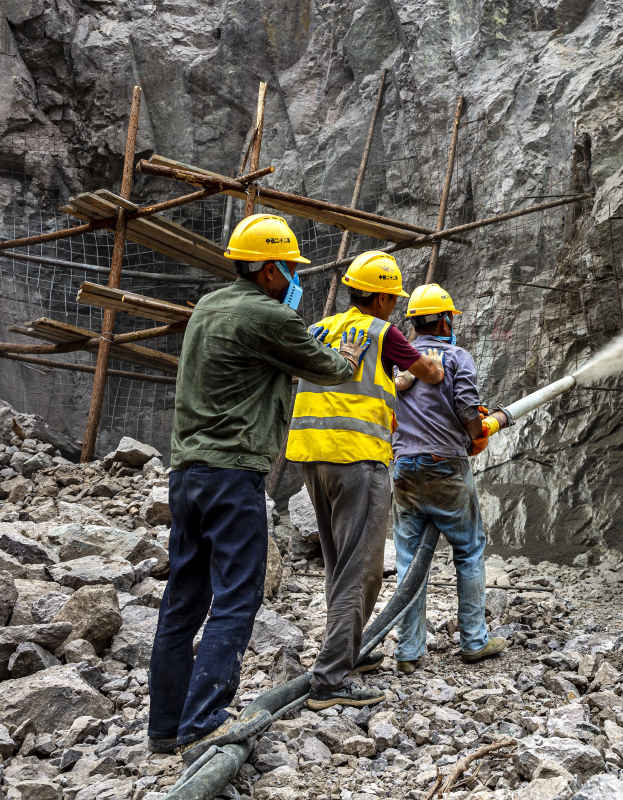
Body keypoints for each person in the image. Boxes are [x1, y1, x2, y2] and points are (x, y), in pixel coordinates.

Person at [148, 214, 372, 764]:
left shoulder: (208, 307)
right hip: (232, 475)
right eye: (289, 269)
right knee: (237, 597)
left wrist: (296, 342)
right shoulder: (269, 314)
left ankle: (165, 725)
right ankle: (202, 726)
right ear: (269, 269)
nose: (293, 276)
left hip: (187, 474)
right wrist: (346, 350)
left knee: (183, 599)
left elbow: (263, 362)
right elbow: (331, 370)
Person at [285, 251, 445, 709]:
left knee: (339, 562)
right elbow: (430, 372)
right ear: (377, 295)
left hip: (312, 459)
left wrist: (395, 385)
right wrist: (424, 364)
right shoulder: (383, 332)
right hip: (358, 459)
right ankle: (332, 678)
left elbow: (348, 381)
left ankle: (345, 651)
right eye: (391, 297)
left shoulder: (321, 328)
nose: (394, 306)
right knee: (363, 570)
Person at [388, 284, 511, 674]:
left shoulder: (399, 364)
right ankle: (474, 641)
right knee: (469, 550)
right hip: (445, 465)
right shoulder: (457, 356)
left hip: (404, 466)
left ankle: (408, 653)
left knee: (409, 561)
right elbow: (465, 406)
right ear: (444, 320)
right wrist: (478, 432)